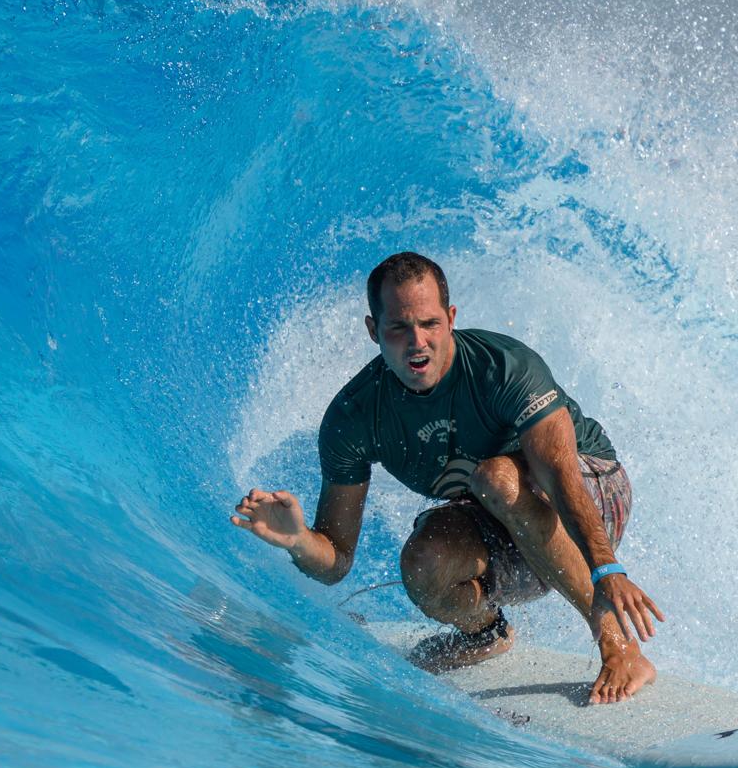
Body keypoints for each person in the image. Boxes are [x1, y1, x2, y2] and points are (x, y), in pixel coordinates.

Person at [231, 252, 663, 703]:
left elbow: (560, 477)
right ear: (373, 330)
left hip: (590, 498)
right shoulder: (355, 417)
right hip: (512, 533)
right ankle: (485, 634)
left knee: (496, 478)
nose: (417, 342)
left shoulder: (502, 367)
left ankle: (621, 649)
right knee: (424, 561)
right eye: (398, 328)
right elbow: (336, 559)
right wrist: (299, 539)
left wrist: (606, 568)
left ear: (451, 318)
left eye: (429, 324)